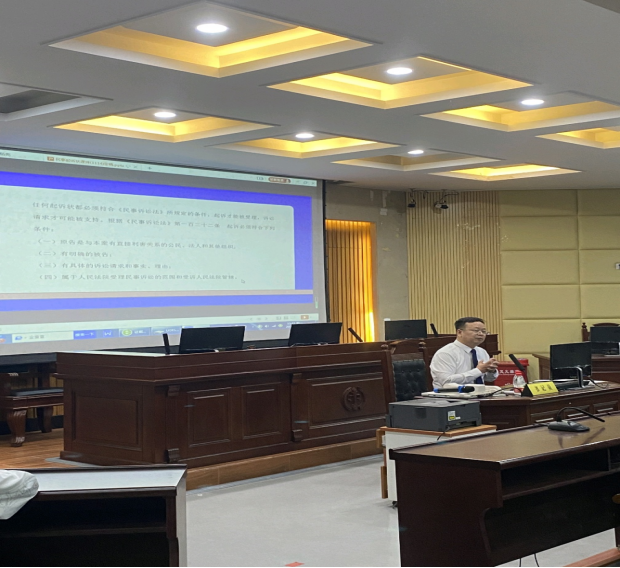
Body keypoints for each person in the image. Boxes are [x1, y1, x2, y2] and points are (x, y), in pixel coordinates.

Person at [430, 317, 498, 389]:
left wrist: (491, 371)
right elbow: (446, 382)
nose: (481, 334)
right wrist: (478, 371)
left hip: (479, 393)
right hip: (452, 395)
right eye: (476, 330)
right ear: (459, 332)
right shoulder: (445, 353)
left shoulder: (482, 351)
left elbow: (489, 379)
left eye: (483, 331)